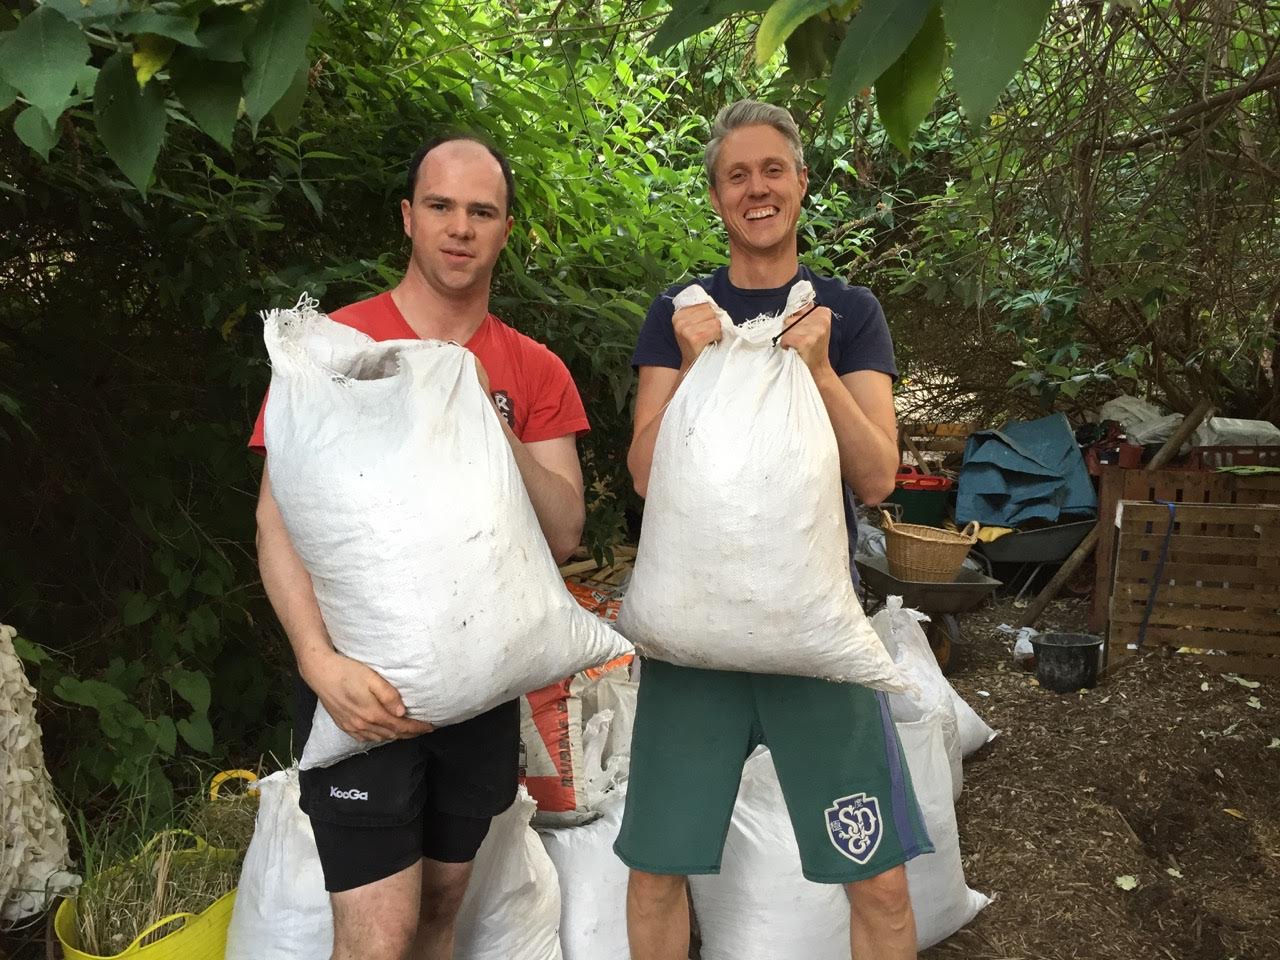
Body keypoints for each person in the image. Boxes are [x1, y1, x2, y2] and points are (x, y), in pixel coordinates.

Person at [250, 134, 589, 960]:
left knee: (441, 909)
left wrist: (490, 425)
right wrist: (317, 663)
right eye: (440, 206)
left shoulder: (533, 370)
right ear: (408, 217)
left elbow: (565, 531)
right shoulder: (334, 349)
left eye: (482, 211)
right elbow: (274, 523)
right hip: (359, 694)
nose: (460, 228)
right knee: (376, 937)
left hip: (478, 695)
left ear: (507, 229)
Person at [616, 99, 932, 960]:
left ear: (800, 184)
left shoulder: (850, 312)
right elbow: (645, 474)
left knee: (882, 885)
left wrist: (821, 367)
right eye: (736, 175)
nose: (757, 188)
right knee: (655, 874)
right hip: (694, 649)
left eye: (773, 171)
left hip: (815, 642)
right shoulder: (676, 312)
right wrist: (687, 365)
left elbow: (875, 476)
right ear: (717, 196)